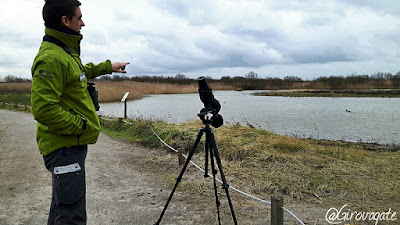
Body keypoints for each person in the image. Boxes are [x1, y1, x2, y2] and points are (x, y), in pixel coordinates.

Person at [31, 0, 129, 224]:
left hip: (69, 144)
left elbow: (78, 72)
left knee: (61, 207)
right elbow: (44, 109)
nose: (83, 23)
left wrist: (107, 67)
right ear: (65, 21)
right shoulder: (51, 58)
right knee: (71, 216)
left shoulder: (64, 53)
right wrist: (82, 125)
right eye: (79, 18)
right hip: (64, 147)